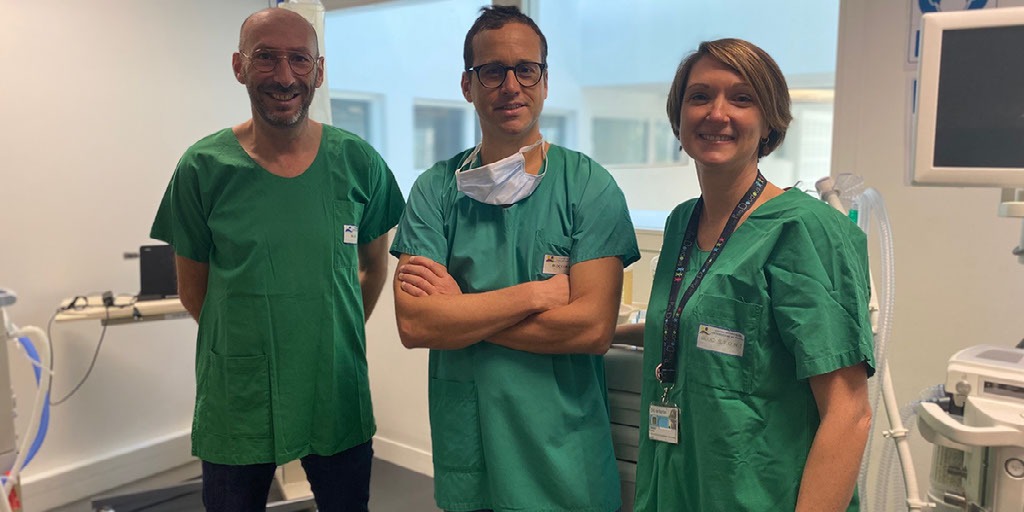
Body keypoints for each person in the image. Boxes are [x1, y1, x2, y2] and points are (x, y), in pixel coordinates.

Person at [149, 8, 404, 512]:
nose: (285, 76)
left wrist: (334, 332)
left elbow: (374, 266)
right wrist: (250, 341)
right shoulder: (203, 168)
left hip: (335, 387)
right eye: (266, 57)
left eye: (299, 59)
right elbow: (194, 291)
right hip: (239, 396)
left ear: (319, 71)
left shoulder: (358, 162)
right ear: (239, 66)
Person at [389, 5, 639, 512]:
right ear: (468, 85)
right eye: (492, 71)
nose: (510, 86)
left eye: (526, 69)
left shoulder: (588, 187)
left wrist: (462, 313)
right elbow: (416, 324)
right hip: (473, 446)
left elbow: (592, 329)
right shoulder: (435, 190)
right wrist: (536, 295)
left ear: (545, 82)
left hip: (564, 453)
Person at [619, 38, 874, 511]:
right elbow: (698, 326)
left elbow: (849, 413)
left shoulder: (805, 231)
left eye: (741, 98)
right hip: (674, 488)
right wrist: (604, 332)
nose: (717, 113)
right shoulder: (681, 223)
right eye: (699, 96)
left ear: (769, 120)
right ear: (678, 116)